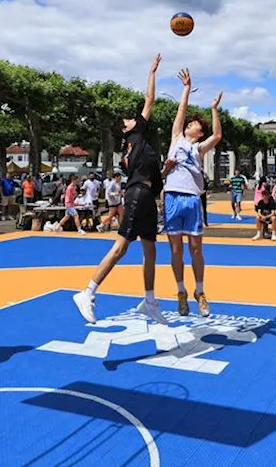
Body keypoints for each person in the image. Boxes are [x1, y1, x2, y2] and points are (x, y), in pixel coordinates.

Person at [73, 53, 168, 326]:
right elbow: (149, 100)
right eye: (127, 118)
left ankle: (149, 301)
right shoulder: (134, 135)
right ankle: (87, 292)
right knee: (121, 247)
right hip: (137, 194)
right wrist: (152, 71)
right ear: (126, 128)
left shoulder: (135, 146)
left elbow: (152, 173)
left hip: (146, 194)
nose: (132, 117)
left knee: (150, 250)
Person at [162, 69, 223, 317]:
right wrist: (186, 88)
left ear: (199, 132)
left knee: (196, 249)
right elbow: (181, 111)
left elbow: (218, 135)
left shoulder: (198, 149)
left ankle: (200, 291)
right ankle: (180, 291)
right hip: (172, 197)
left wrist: (214, 109)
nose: (189, 124)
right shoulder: (176, 139)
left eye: (194, 124)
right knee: (175, 250)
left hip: (191, 199)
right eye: (188, 123)